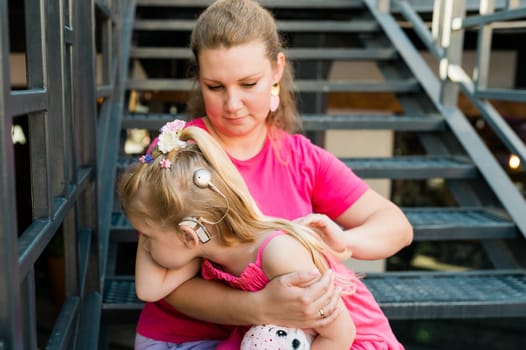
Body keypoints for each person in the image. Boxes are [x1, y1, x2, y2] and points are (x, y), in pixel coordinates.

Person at [130, 0, 413, 348]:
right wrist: (260, 307)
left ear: (277, 69)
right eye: (215, 87)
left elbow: (396, 226)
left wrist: (342, 243)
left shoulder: (300, 157)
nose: (232, 104)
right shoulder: (180, 152)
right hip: (188, 337)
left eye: (248, 84)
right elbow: (164, 284)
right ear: (198, 78)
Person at [119, 121, 404, 349]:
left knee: (264, 340)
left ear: (188, 236)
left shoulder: (279, 253)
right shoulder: (209, 250)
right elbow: (150, 289)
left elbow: (341, 334)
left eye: (147, 236)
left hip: (350, 342)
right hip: (294, 337)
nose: (144, 246)